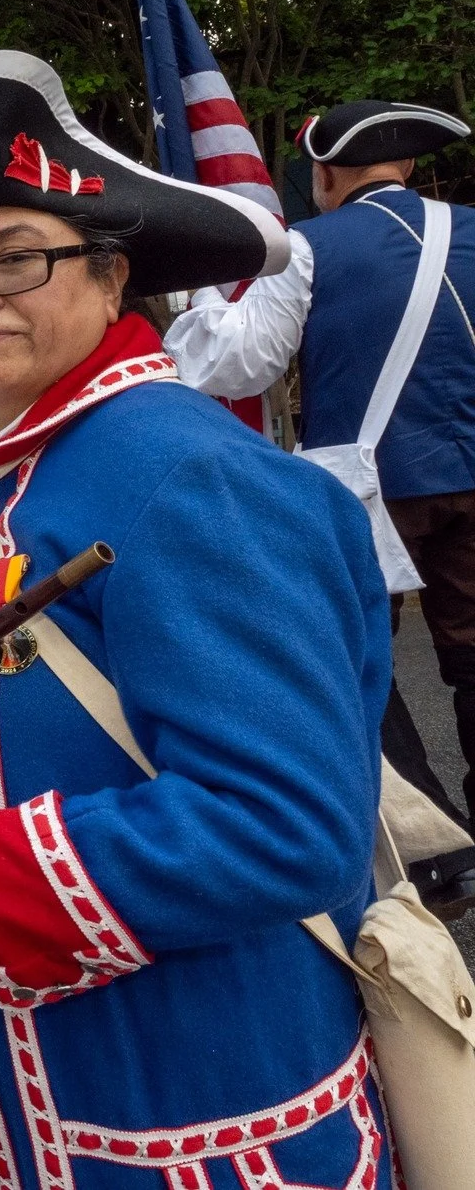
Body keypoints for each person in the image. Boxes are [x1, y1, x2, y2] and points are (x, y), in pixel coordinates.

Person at [0, 51, 391, 1190]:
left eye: (17, 258)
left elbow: (289, 824)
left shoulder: (193, 478)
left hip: (188, 1092)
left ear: (112, 280)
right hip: (4, 1064)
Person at [165, 99, 475, 907]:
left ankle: (435, 848)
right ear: (409, 166)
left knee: (354, 658)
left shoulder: (308, 245)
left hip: (369, 487)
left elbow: (237, 364)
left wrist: (198, 299)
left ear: (327, 174)